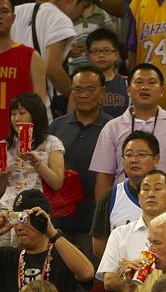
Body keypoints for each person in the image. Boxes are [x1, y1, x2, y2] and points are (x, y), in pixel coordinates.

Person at [89, 63, 166, 226]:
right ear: (128, 89)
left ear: (162, 90)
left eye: (151, 82)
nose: (145, 87)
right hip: (124, 207)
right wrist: (103, 218)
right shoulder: (112, 127)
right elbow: (104, 176)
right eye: (139, 82)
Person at [91, 131, 166, 258]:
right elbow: (98, 247)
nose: (134, 160)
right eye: (128, 155)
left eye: (141, 154)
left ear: (156, 160)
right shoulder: (111, 196)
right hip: (124, 273)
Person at [0, 190, 94, 292]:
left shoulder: (63, 254)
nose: (19, 226)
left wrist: (51, 231)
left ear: (44, 218)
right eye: (16, 218)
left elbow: (87, 273)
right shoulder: (6, 256)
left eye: (25, 218)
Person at [48, 66, 112, 262]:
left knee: (90, 285)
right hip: (58, 224)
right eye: (77, 89)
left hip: (95, 225)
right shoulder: (57, 126)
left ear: (102, 92)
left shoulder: (113, 128)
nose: (83, 95)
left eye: (90, 89)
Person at [9, 0, 85, 119]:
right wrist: (73, 94)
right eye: (83, 6)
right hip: (36, 106)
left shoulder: (17, 11)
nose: (81, 14)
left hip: (8, 99)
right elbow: (52, 69)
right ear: (73, 1)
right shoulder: (61, 19)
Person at [0, 93, 65, 219]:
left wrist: (37, 162)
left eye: (22, 113)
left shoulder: (52, 143)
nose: (16, 118)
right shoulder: (4, 146)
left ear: (35, 115)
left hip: (36, 211)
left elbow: (57, 183)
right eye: (13, 114)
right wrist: (4, 177)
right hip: (5, 211)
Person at [0, 0, 46, 140]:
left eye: (4, 11)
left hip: (17, 140)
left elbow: (39, 106)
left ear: (14, 18)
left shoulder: (30, 56)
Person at [86, 28, 128, 118]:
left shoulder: (127, 83)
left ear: (116, 55)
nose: (101, 55)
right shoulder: (81, 84)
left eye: (106, 51)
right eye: (96, 51)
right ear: (88, 56)